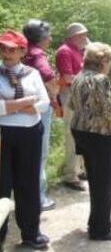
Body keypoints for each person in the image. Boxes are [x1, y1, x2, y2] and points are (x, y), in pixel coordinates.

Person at [68, 42, 111, 241]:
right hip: (99, 134)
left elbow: (72, 104)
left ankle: (100, 219)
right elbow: (107, 112)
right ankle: (99, 229)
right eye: (109, 59)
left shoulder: (79, 76)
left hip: (80, 131)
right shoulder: (100, 79)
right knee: (104, 181)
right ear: (103, 60)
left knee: (95, 178)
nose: (110, 63)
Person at [0, 30, 50, 251]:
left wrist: (16, 106)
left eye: (11, 49)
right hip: (2, 134)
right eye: (2, 48)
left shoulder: (32, 73)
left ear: (23, 51)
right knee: (1, 186)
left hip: (30, 133)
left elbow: (44, 102)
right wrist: (24, 104)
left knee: (28, 183)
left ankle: (30, 233)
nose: (5, 53)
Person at [23, 19, 57, 211]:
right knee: (40, 153)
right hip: (39, 109)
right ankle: (39, 198)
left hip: (18, 111)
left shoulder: (21, 51)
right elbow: (49, 77)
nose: (50, 39)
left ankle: (24, 194)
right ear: (41, 38)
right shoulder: (37, 55)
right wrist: (54, 93)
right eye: (48, 35)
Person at [56, 22, 89, 191]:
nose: (85, 37)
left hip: (78, 95)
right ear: (74, 36)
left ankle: (78, 169)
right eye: (82, 34)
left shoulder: (77, 50)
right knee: (71, 135)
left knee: (80, 133)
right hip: (70, 95)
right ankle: (70, 175)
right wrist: (89, 79)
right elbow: (68, 78)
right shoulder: (64, 51)